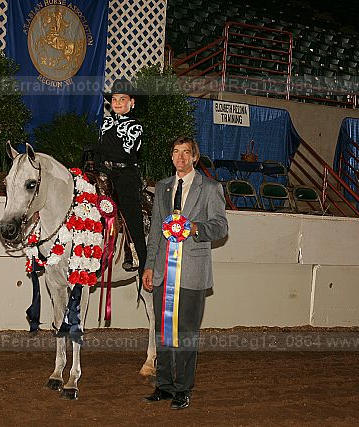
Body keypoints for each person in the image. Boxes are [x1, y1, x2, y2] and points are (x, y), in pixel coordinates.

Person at [142, 136, 228, 410]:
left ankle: (183, 389)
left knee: (187, 332)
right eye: (176, 152)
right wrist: (149, 265)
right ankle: (164, 385)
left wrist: (194, 228)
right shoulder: (163, 187)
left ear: (194, 158)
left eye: (186, 152)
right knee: (163, 331)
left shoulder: (210, 188)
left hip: (192, 272)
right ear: (171, 156)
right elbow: (156, 231)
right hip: (162, 272)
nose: (180, 157)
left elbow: (221, 226)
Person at [93, 77, 146, 276]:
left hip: (125, 172)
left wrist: (99, 148)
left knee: (131, 212)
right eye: (114, 99)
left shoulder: (135, 126)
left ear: (132, 102)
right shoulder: (105, 123)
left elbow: (124, 151)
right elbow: (101, 151)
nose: (117, 103)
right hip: (104, 171)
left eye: (122, 99)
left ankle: (141, 258)